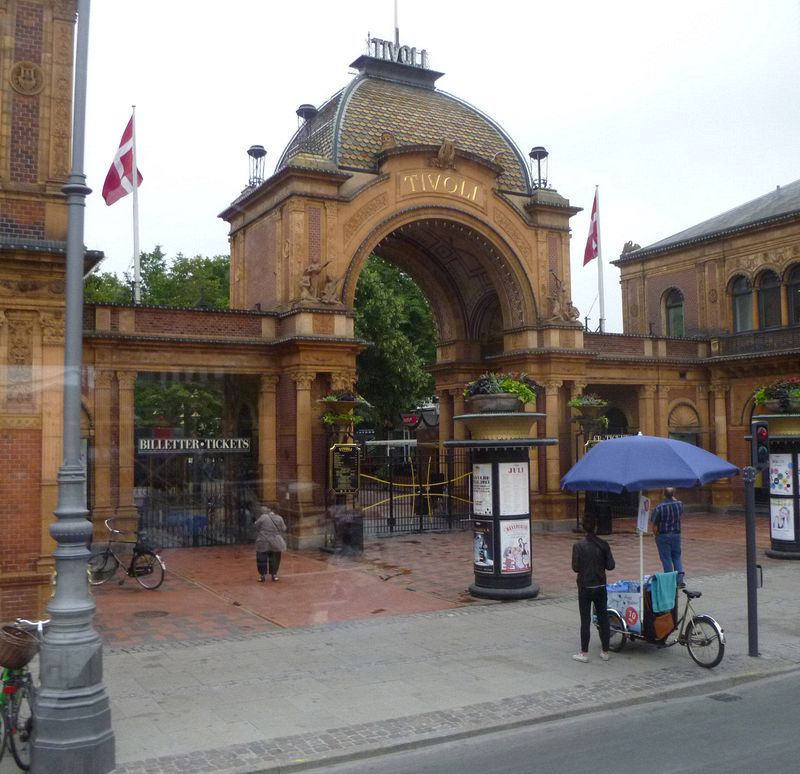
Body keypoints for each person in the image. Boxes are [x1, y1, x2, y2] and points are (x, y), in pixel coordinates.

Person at [571, 512, 616, 663]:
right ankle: (605, 651)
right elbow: (611, 566)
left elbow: (575, 568)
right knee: (603, 617)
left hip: (585, 586)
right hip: (600, 585)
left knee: (585, 620)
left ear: (584, 528)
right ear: (596, 527)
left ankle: (584, 653)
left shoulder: (578, 546)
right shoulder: (604, 545)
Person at [650, 487, 684, 587]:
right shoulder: (679, 504)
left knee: (666, 559)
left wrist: (656, 535)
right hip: (676, 534)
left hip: (663, 535)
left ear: (663, 494)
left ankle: (670, 582)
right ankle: (680, 580)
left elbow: (654, 525)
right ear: (674, 493)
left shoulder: (659, 507)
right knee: (677, 557)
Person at [253, 505, 287, 582]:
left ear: (270, 510)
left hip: (263, 540)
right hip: (275, 541)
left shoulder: (264, 517)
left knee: (262, 558)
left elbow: (256, 525)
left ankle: (262, 575)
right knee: (275, 557)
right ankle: (274, 575)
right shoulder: (279, 518)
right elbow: (283, 528)